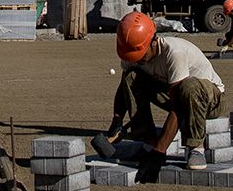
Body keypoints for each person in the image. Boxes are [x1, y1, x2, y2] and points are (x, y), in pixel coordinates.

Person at [96, 11, 225, 178]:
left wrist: (160, 151)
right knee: (131, 76)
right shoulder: (131, 53)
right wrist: (117, 120)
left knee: (189, 86)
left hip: (211, 100)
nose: (138, 59)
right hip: (175, 93)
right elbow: (124, 89)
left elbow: (179, 106)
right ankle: (147, 141)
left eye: (141, 55)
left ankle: (196, 147)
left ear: (153, 41)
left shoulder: (174, 53)